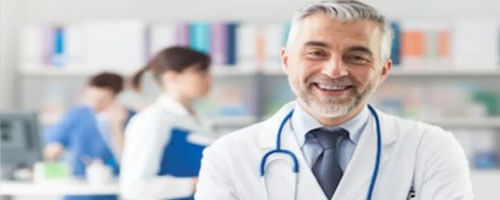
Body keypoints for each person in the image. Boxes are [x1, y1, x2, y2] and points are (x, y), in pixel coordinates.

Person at [195, 1, 473, 200]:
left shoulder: (431, 148)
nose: (335, 71)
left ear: (383, 70)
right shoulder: (228, 155)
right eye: (316, 52)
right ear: (286, 61)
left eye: (357, 57)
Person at [120, 46, 214, 200]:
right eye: (201, 73)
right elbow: (135, 188)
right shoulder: (152, 121)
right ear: (172, 77)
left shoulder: (198, 119)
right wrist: (196, 184)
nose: (209, 80)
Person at [44, 72, 135, 200]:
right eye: (90, 98)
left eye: (102, 100)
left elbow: (129, 159)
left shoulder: (133, 119)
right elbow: (53, 147)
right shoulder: (77, 115)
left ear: (117, 98)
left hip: (113, 190)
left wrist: (116, 127)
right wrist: (53, 153)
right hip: (78, 190)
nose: (94, 104)